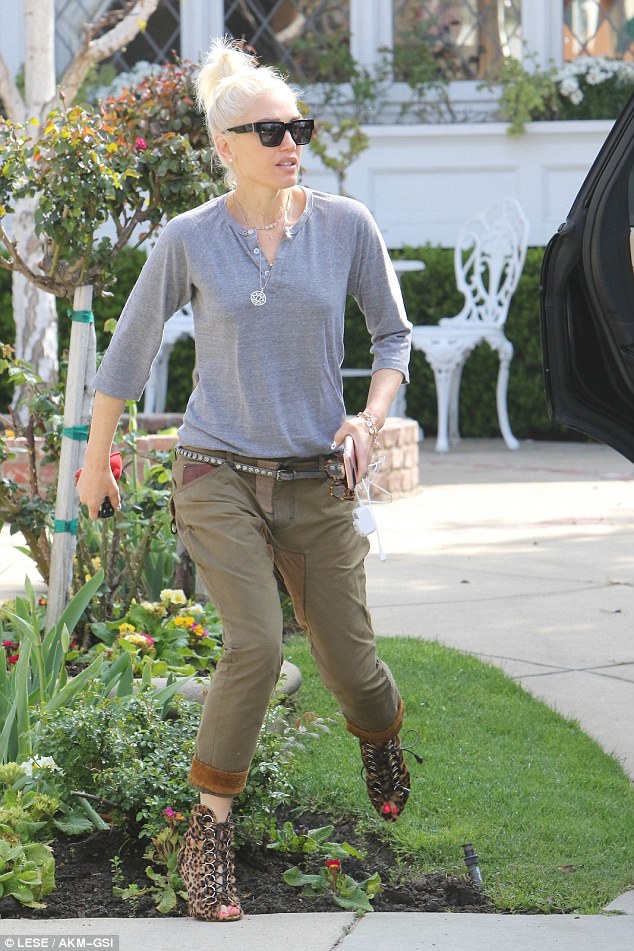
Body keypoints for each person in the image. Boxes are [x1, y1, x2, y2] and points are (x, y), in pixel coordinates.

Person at [77, 36, 414, 924]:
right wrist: (94, 461)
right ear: (224, 145)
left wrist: (367, 419)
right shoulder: (189, 238)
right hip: (216, 467)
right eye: (269, 131)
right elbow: (129, 352)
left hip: (315, 476)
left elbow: (392, 338)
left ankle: (380, 732)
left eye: (298, 127)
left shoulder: (346, 226)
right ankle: (209, 834)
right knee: (256, 644)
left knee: (353, 671)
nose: (289, 142)